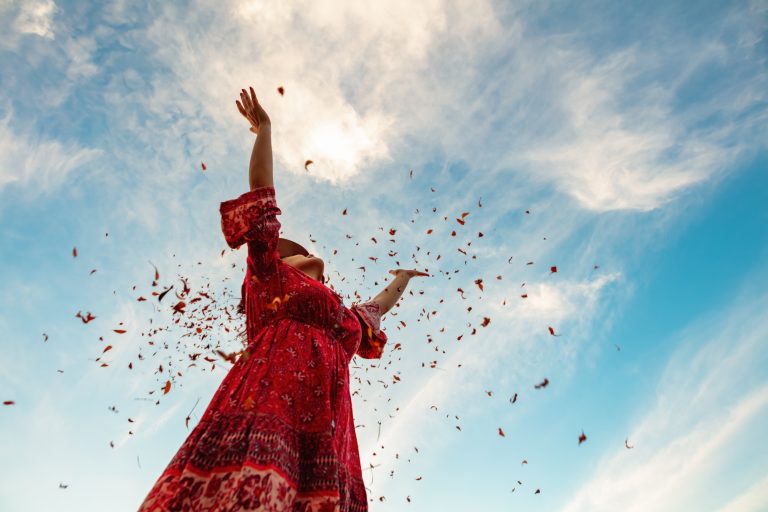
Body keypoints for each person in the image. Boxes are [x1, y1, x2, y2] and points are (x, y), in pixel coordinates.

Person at [137, 87, 429, 511]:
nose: (308, 251)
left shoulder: (342, 321)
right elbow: (262, 193)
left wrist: (402, 277)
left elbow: (376, 308)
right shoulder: (268, 277)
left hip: (328, 426)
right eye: (297, 249)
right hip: (270, 397)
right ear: (281, 259)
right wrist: (265, 130)